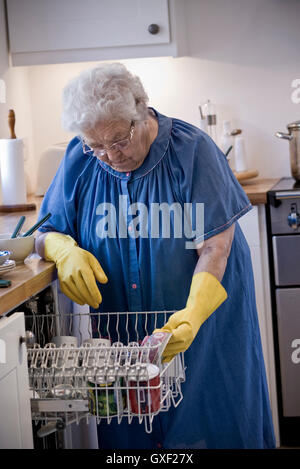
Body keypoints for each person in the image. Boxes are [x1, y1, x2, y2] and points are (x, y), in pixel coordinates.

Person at [35, 62, 276, 449]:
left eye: (118, 140)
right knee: (133, 439)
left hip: (203, 333)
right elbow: (46, 230)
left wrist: (195, 313)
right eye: (96, 145)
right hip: (123, 348)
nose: (109, 156)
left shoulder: (192, 151)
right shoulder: (81, 159)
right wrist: (61, 249)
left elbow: (215, 245)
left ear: (141, 111)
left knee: (212, 428)